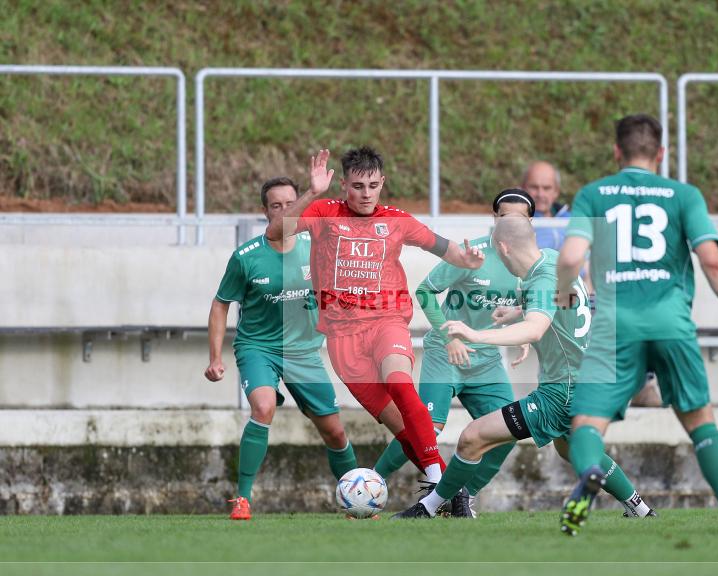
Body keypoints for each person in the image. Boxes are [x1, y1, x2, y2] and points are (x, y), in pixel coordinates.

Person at [556, 114, 718, 536]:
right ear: (661, 154)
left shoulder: (593, 194)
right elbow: (712, 260)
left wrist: (561, 290)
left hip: (613, 324)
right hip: (670, 322)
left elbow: (571, 258)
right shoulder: (684, 195)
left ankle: (591, 473)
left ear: (616, 151)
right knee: (700, 421)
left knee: (586, 424)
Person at [393, 210, 654, 520]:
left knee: (472, 437)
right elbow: (555, 301)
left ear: (502, 247)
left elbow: (536, 328)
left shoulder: (542, 278)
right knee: (570, 449)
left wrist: (475, 333)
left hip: (561, 393)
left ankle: (429, 508)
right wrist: (516, 310)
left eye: (496, 252)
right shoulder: (554, 261)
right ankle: (640, 508)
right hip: (588, 383)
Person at [267, 147, 485, 494]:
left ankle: (437, 480)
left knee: (399, 383)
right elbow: (276, 233)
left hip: (387, 321)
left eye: (372, 185)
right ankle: (452, 494)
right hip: (342, 339)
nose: (365, 193)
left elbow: (448, 250)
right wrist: (311, 192)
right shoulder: (324, 211)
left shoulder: (396, 221)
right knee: (401, 427)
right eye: (357, 186)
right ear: (343, 186)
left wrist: (468, 259)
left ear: (382, 183)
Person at [371, 190, 532, 517]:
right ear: (495, 219)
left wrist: (525, 333)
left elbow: (524, 305)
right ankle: (367, 486)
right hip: (446, 354)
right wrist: (450, 338)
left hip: (486, 361)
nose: (511, 223)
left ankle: (461, 497)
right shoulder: (472, 253)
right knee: (428, 427)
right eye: (505, 217)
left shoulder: (529, 262)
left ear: (529, 221)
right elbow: (425, 293)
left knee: (510, 432)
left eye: (519, 218)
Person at [206, 176, 357, 521]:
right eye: (277, 206)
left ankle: (355, 500)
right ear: (265, 212)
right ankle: (242, 499)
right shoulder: (246, 257)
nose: (286, 211)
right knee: (262, 408)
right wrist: (215, 357)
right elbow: (220, 304)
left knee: (334, 431)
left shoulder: (317, 247)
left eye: (291, 204)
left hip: (304, 352)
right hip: (259, 348)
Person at [522, 161, 570, 250]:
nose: (540, 194)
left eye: (546, 188)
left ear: (556, 191)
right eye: (534, 187)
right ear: (523, 188)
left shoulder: (571, 219)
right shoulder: (514, 222)